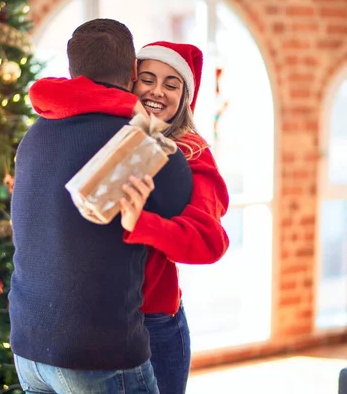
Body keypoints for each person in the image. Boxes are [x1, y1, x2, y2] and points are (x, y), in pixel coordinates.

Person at [30, 41, 230, 394]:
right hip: (95, 319)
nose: (156, 91)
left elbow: (209, 242)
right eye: (148, 79)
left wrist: (143, 224)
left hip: (154, 323)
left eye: (171, 84)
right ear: (130, 82)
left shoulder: (192, 154)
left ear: (185, 97)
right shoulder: (111, 131)